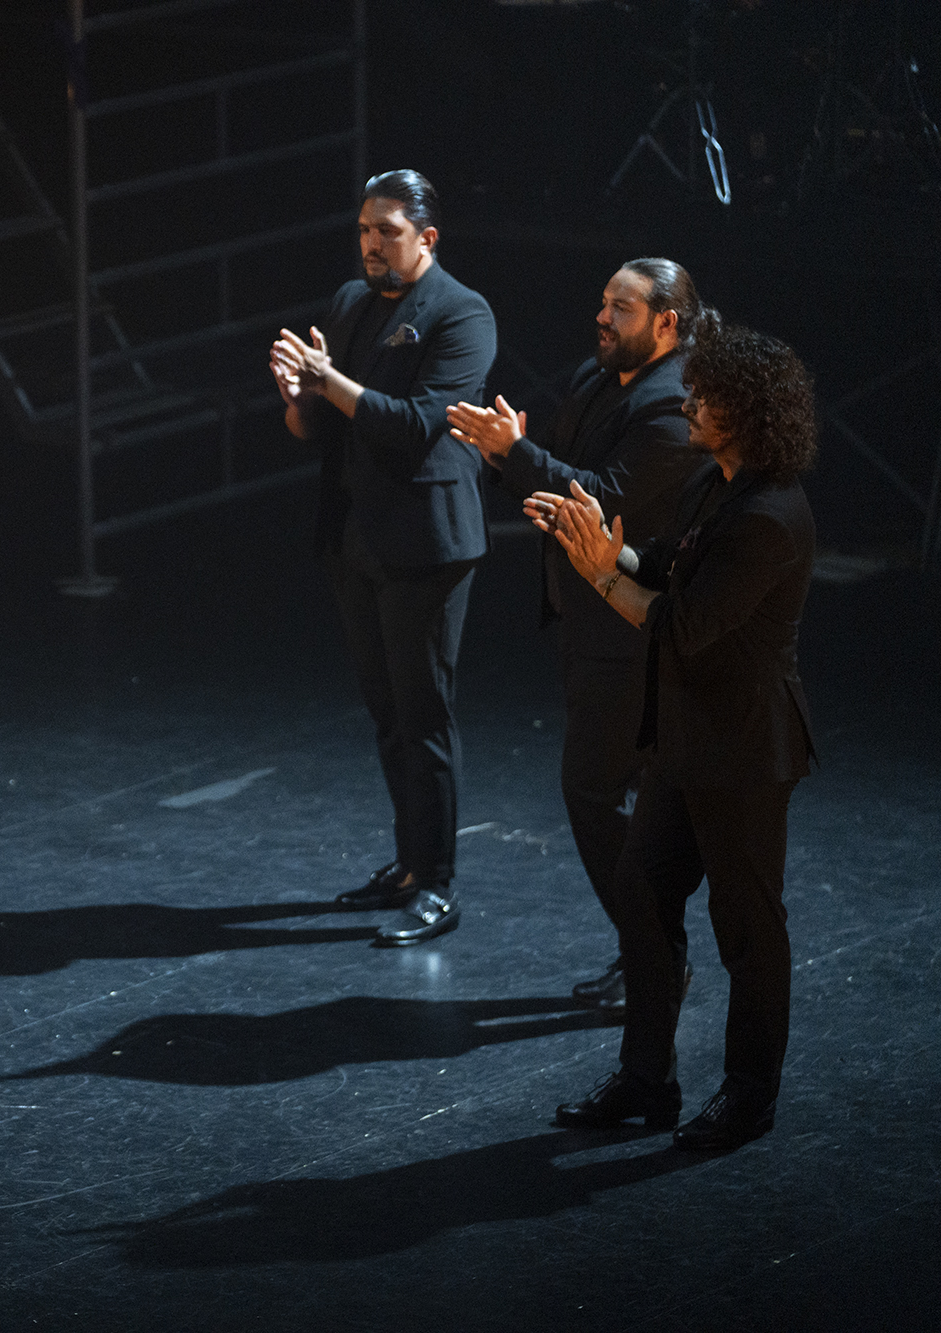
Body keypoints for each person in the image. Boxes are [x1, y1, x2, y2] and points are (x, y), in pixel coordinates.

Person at [538, 326, 817, 1150]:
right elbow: (661, 562)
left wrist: (598, 573)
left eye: (706, 396)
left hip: (743, 748)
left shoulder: (769, 516)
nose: (689, 403)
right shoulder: (718, 485)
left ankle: (750, 1093)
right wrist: (608, 542)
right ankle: (646, 1078)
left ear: (748, 414)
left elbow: (680, 625)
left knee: (747, 925)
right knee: (643, 889)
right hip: (687, 740)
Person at [445, 259, 711, 1007]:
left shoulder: (674, 407)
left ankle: (655, 956)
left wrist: (512, 452)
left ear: (666, 323)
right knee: (608, 793)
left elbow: (603, 499)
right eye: (601, 302)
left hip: (630, 629)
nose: (601, 317)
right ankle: (650, 955)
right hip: (585, 617)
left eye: (619, 308)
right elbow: (559, 470)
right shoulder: (597, 380)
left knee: (593, 792)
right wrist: (510, 457)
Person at [269, 169, 498, 945]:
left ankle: (437, 884)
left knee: (424, 713)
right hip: (356, 537)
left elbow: (413, 426)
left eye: (388, 230)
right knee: (386, 712)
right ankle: (408, 864)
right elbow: (319, 431)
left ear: (426, 238)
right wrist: (299, 395)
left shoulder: (463, 314)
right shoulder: (349, 302)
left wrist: (329, 379)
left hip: (426, 544)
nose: (372, 243)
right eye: (365, 229)